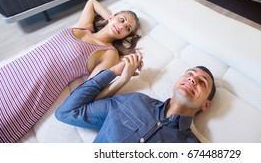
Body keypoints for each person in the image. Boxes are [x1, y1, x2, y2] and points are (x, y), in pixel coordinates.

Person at [0, 0, 141, 143]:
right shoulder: (85, 27)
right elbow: (91, 2)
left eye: (127, 28)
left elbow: (92, 91)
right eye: (122, 19)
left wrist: (123, 78)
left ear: (126, 36)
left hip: (29, 88)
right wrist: (111, 18)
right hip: (11, 71)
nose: (121, 26)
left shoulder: (109, 53)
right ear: (111, 16)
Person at [55, 52, 216, 143]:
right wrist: (115, 73)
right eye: (189, 74)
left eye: (202, 82)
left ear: (206, 105)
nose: (192, 79)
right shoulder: (133, 101)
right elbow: (67, 112)